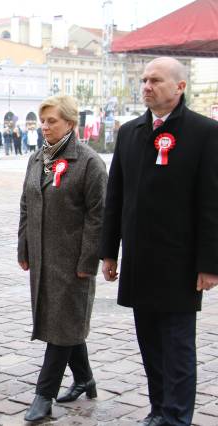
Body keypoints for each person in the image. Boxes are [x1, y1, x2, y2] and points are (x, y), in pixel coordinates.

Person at [100, 57, 218, 426]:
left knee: (177, 347)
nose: (146, 86)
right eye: (144, 79)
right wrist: (109, 251)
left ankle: (177, 417)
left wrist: (210, 263)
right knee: (150, 345)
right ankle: (158, 410)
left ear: (180, 87)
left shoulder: (205, 132)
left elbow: (212, 202)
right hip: (139, 260)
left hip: (180, 262)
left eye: (156, 80)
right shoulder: (130, 131)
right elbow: (115, 195)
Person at [18, 95, 108, 422]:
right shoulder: (36, 159)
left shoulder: (88, 162)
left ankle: (44, 395)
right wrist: (23, 247)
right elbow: (26, 205)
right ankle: (84, 378)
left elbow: (99, 216)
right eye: (42, 121)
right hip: (43, 258)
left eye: (51, 121)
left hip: (72, 262)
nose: (44, 127)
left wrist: (88, 262)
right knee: (62, 322)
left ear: (70, 123)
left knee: (62, 325)